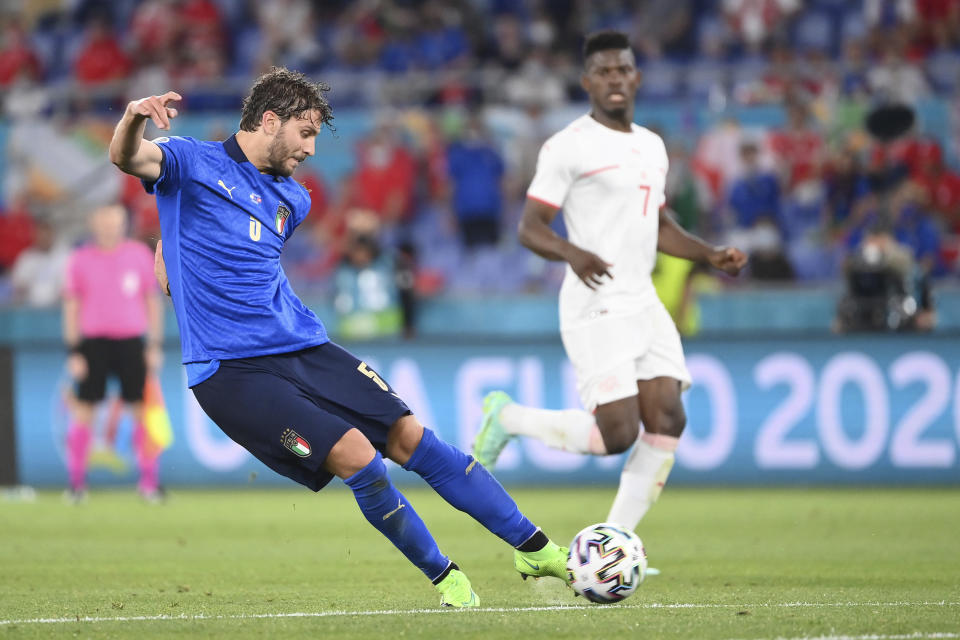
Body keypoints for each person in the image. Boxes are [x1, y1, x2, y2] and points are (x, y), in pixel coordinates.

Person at [108, 67, 568, 608]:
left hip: (303, 347)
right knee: (360, 458)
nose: (310, 149)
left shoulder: (293, 200)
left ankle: (533, 545)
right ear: (269, 120)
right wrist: (133, 117)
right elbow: (128, 158)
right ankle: (448, 579)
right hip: (231, 372)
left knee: (410, 436)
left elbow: (243, 264)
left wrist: (180, 278)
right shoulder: (191, 162)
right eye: (304, 134)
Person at [472, 31, 747, 548]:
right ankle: (507, 417)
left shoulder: (652, 146)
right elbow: (530, 227)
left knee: (668, 416)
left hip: (641, 298)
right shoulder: (570, 146)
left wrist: (709, 253)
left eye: (622, 68)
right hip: (595, 299)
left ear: (636, 77)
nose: (614, 78)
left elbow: (659, 223)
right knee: (616, 435)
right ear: (587, 82)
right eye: (603, 71)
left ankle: (613, 543)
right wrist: (572, 253)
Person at [63, 204, 164, 503]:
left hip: (131, 341)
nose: (109, 226)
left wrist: (154, 345)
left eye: (115, 221)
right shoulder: (79, 260)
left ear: (124, 223)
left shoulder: (138, 256)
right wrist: (73, 351)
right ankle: (77, 485)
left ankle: (149, 483)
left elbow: (152, 302)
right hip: (93, 344)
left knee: (141, 410)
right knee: (85, 411)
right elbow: (71, 307)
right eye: (104, 221)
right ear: (94, 223)